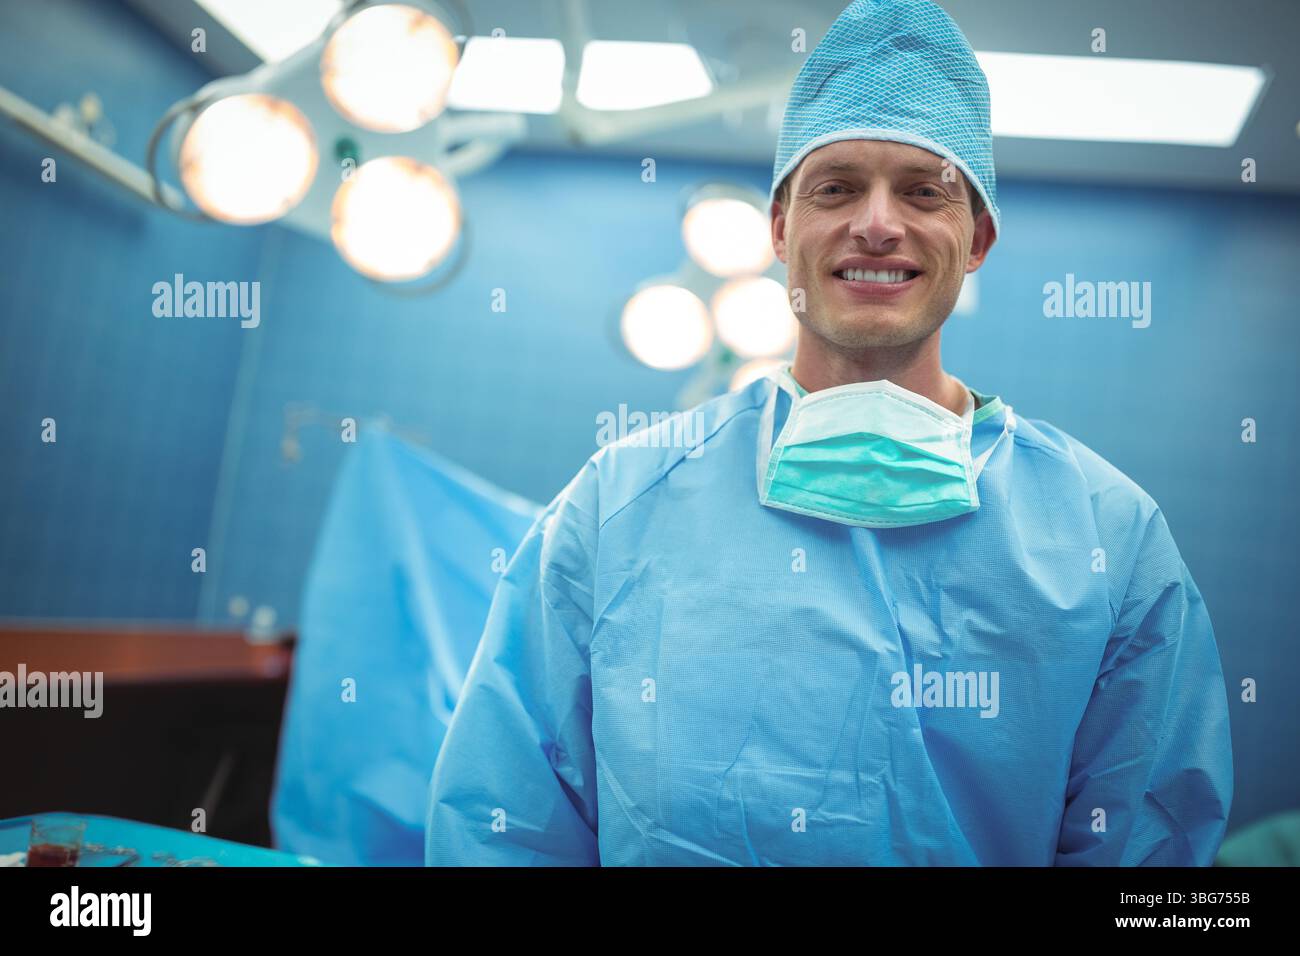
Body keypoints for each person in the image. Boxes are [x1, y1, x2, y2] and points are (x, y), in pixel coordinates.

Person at [425, 0, 1233, 866]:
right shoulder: (618, 504)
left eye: (925, 191)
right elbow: (504, 821)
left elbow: (1151, 851)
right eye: (836, 187)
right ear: (779, 228)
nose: (877, 222)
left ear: (978, 238)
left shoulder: (1108, 537)